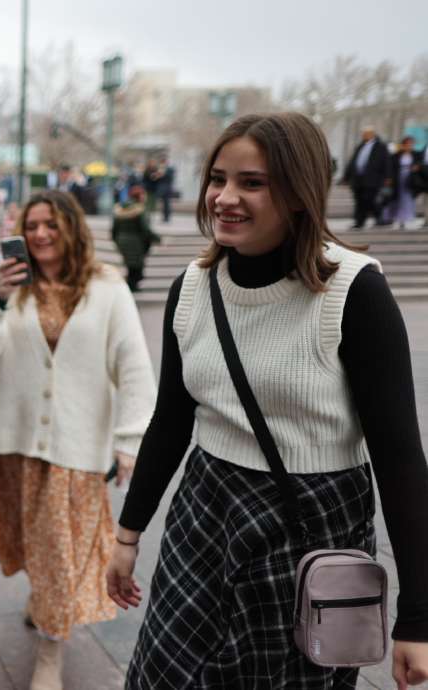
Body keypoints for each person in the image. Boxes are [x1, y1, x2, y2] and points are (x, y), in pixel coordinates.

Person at [105, 113, 428, 689]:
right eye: (218, 179)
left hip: (311, 525)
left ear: (299, 193)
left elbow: (401, 461)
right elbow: (173, 420)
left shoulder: (356, 292)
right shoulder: (193, 287)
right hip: (204, 515)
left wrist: (419, 619)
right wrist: (128, 536)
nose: (225, 198)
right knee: (164, 676)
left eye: (252, 183)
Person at [0, 189, 155, 689]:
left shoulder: (107, 286)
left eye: (52, 224)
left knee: (60, 554)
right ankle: (43, 596)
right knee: (27, 540)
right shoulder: (5, 280)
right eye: (33, 224)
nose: (41, 234)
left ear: (72, 228)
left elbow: (133, 364)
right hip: (15, 442)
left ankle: (49, 652)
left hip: (76, 446)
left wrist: (130, 439)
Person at [111, 186, 161, 291]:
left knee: (131, 264)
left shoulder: (120, 209)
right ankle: (132, 286)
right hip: (135, 242)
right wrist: (156, 238)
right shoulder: (140, 210)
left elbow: (114, 229)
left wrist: (116, 240)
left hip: (121, 240)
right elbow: (145, 229)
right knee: (136, 265)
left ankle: (132, 285)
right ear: (140, 196)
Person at [343, 126, 392, 229]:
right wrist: (346, 177)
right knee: (359, 200)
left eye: (366, 133)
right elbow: (353, 162)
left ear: (372, 134)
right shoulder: (360, 146)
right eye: (364, 133)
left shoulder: (381, 146)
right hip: (358, 179)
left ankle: (379, 218)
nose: (364, 135)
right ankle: (359, 222)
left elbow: (387, 162)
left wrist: (388, 177)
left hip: (373, 179)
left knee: (369, 199)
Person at [390, 136, 424, 230]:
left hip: (411, 180)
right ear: (403, 145)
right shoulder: (397, 155)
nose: (409, 146)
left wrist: (417, 167)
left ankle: (408, 218)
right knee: (399, 199)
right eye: (407, 144)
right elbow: (391, 166)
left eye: (411, 144)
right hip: (399, 179)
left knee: (408, 199)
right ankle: (399, 219)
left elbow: (421, 164)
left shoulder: (416, 154)